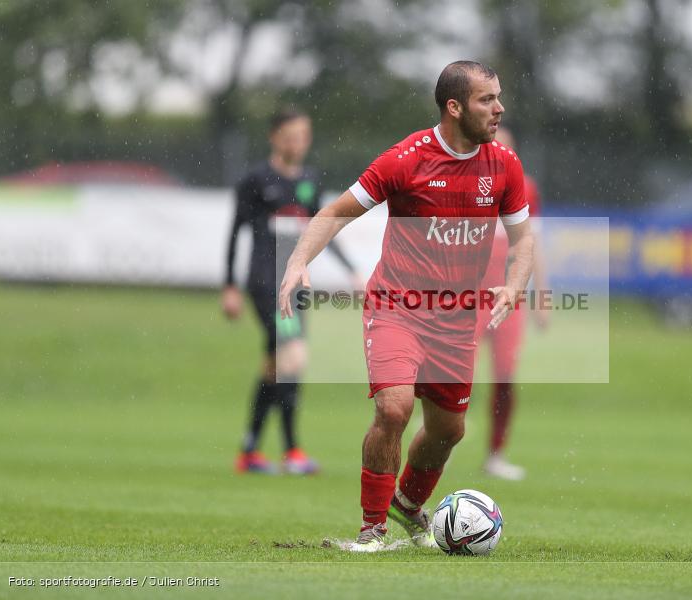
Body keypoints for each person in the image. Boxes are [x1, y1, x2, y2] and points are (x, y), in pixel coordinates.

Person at [277, 61, 535, 551]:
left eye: (499, 97)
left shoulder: (504, 165)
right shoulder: (406, 159)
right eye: (488, 100)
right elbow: (333, 213)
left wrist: (513, 285)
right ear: (454, 107)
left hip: (457, 320)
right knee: (394, 410)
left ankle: (407, 506)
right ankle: (371, 530)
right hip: (396, 306)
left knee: (449, 430)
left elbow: (523, 243)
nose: (499, 108)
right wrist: (297, 261)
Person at [223, 106, 360, 475]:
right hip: (266, 283)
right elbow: (236, 232)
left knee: (274, 365)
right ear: (275, 138)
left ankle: (249, 451)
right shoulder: (255, 179)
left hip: (295, 284)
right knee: (293, 357)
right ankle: (292, 450)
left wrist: (352, 270)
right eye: (291, 136)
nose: (299, 143)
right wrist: (230, 287)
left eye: (304, 136)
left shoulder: (310, 181)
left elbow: (323, 227)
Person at [475, 125, 549, 481]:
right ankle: (439, 433)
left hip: (510, 299)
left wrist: (541, 296)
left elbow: (532, 244)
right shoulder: (466, 186)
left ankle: (496, 453)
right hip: (466, 298)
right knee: (451, 374)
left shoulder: (525, 189)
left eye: (507, 149)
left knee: (505, 377)